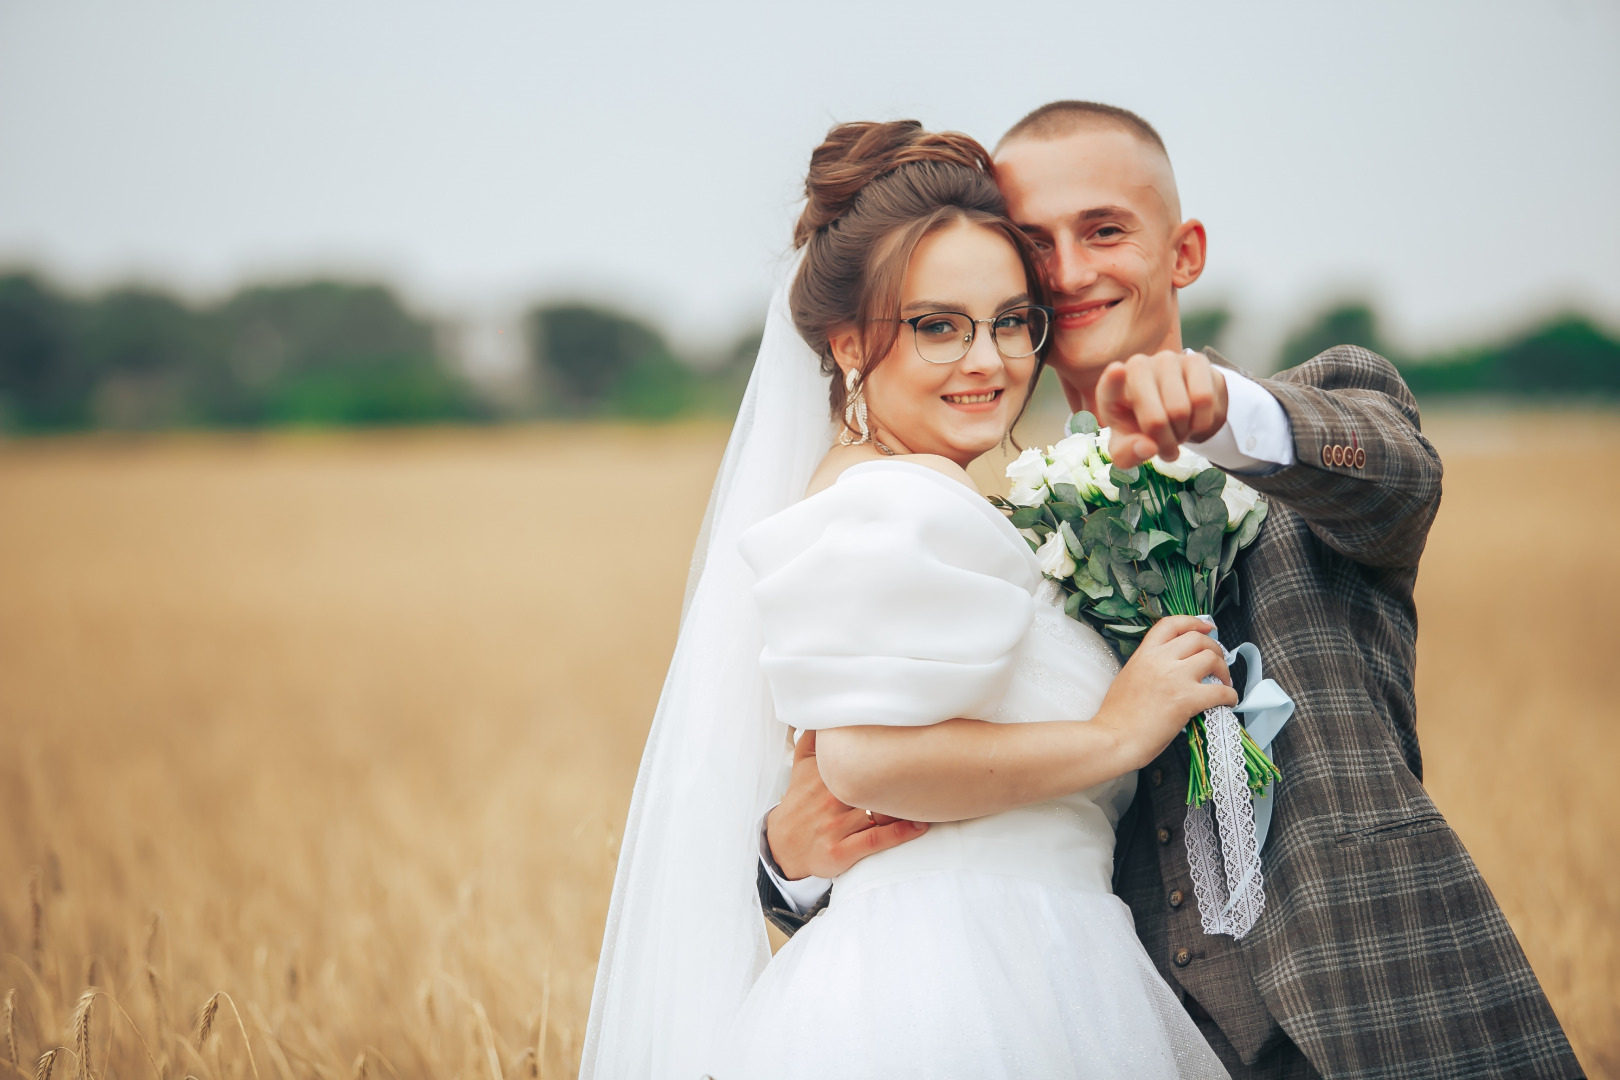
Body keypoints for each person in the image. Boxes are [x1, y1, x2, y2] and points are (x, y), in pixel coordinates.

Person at [758, 102, 1582, 1079]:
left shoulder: (1307, 420)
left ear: (1183, 251)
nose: (1067, 270)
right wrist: (787, 861)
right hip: (1125, 1026)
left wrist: (1225, 414)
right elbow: (938, 785)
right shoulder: (997, 542)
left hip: (1386, 1009)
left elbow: (1397, 477)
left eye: (1104, 230)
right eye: (1035, 244)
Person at [582, 121, 1231, 1078]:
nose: (988, 361)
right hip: (953, 989)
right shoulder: (895, 501)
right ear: (849, 345)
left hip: (1028, 964)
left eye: (1012, 321)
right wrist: (1115, 736)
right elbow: (865, 761)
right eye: (938, 326)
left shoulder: (931, 497)